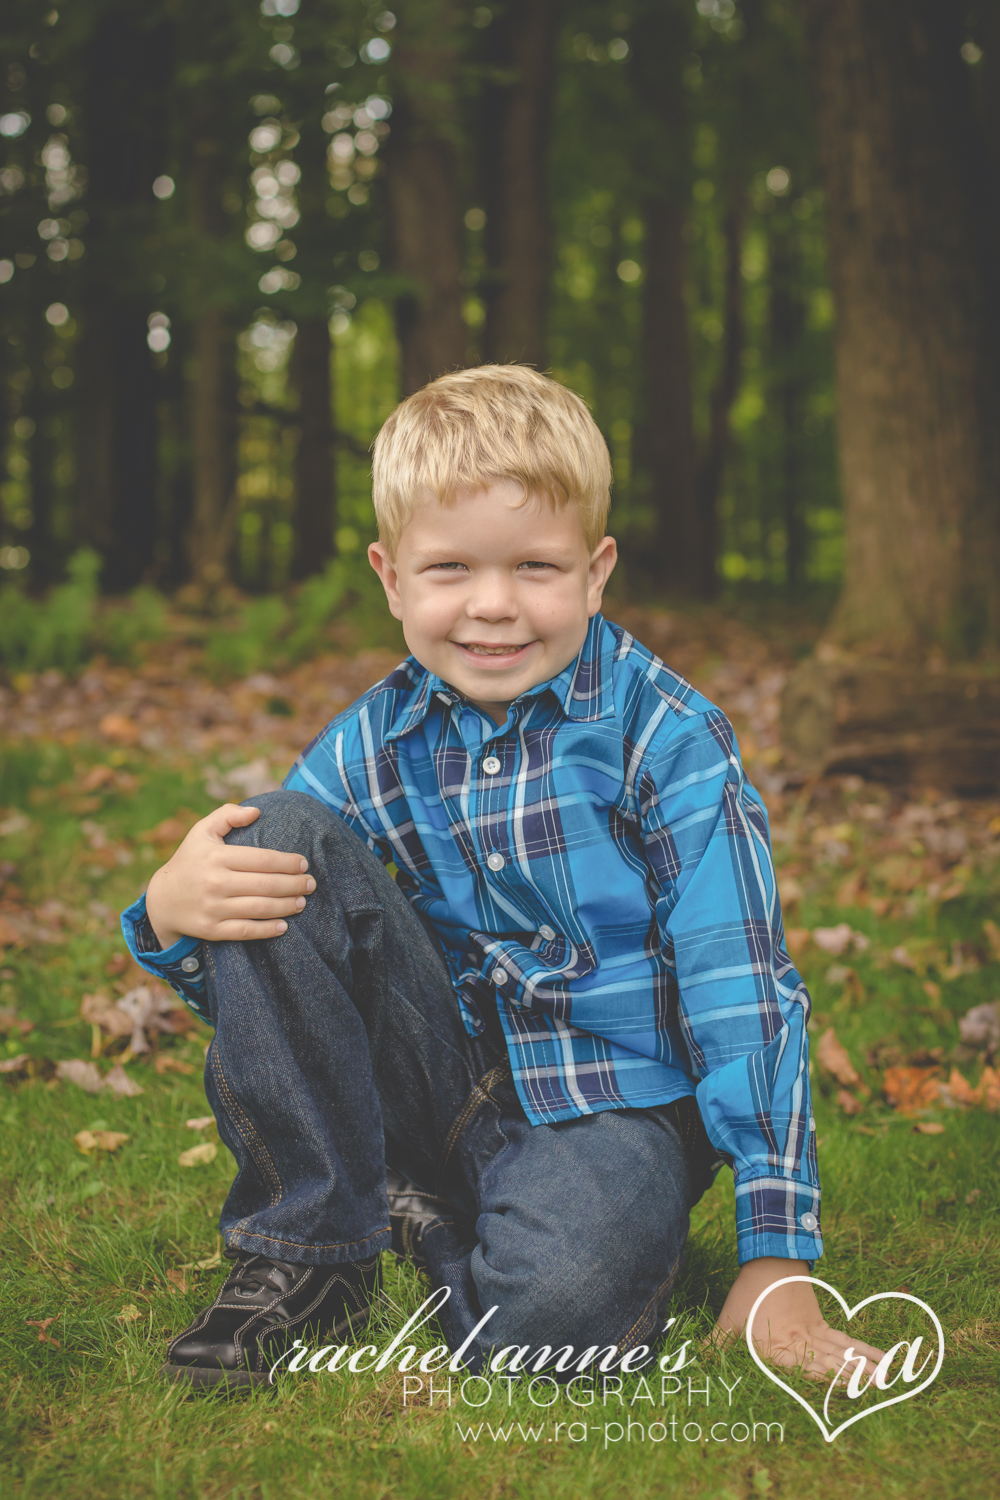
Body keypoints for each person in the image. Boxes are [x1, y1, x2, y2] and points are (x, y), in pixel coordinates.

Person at [122, 364, 884, 1391]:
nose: (492, 606)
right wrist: (167, 914)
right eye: (449, 571)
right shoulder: (378, 739)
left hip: (615, 1105)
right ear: (391, 578)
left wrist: (775, 1250)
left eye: (535, 566)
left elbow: (740, 985)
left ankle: (414, 1218)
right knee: (279, 835)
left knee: (555, 1324)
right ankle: (310, 1253)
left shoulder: (665, 740)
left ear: (595, 571)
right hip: (446, 1070)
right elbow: (279, 960)